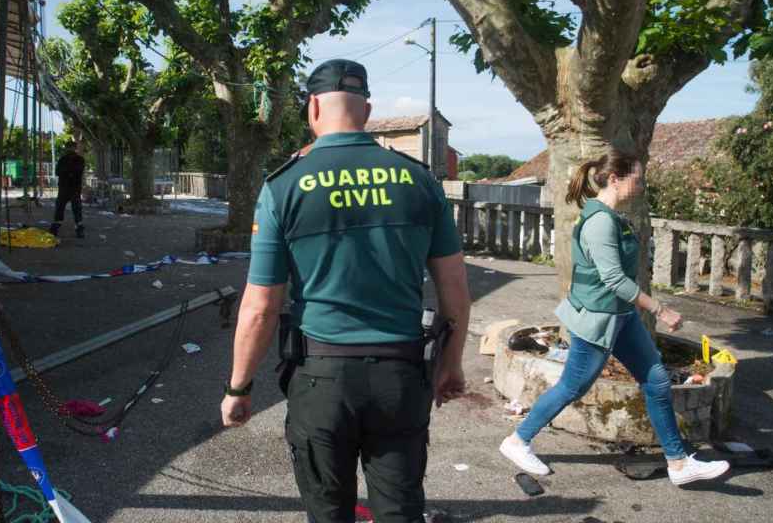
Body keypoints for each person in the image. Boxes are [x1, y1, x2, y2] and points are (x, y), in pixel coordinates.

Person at [220, 59, 471, 522]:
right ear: (368, 109)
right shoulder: (419, 180)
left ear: (312, 107)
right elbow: (454, 289)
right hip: (400, 374)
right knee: (400, 510)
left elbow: (261, 307)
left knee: (329, 511)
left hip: (321, 380)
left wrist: (239, 387)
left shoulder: (284, 186)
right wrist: (450, 366)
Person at [498, 151, 730, 486]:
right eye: (637, 177)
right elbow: (614, 280)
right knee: (572, 387)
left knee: (657, 381)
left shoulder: (613, 216)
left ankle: (679, 464)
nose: (642, 182)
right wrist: (660, 309)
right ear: (614, 179)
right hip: (596, 320)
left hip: (621, 317)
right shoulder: (600, 222)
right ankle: (518, 441)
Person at [50, 142, 85, 238]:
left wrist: (67, 172)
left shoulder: (78, 159)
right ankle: (57, 226)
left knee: (75, 208)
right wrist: (70, 172)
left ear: (74, 148)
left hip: (71, 187)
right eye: (68, 147)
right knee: (62, 207)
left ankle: (79, 227)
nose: (69, 149)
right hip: (67, 187)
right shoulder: (64, 159)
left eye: (71, 147)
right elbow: (58, 172)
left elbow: (77, 171)